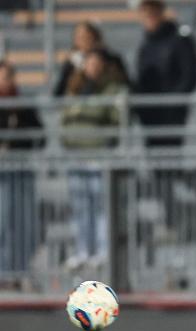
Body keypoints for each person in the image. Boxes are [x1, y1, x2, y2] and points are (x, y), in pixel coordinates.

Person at [60, 49, 126, 270]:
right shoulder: (76, 88)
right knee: (80, 207)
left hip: (100, 157)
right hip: (76, 156)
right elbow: (65, 116)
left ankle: (102, 250)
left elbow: (116, 120)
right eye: (89, 63)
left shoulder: (112, 89)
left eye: (97, 63)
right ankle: (82, 251)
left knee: (101, 207)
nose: (93, 67)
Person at [0, 60, 43, 288]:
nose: (6, 81)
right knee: (3, 223)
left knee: (23, 224)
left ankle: (21, 270)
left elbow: (40, 136)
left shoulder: (23, 105)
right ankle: (4, 272)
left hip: (21, 171)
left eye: (9, 76)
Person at [134, 0, 196, 147]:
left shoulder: (179, 40)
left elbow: (189, 78)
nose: (148, 16)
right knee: (153, 155)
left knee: (170, 157)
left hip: (171, 115)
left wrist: (172, 104)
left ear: (161, 11)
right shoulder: (145, 45)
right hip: (149, 114)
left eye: (152, 11)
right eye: (145, 12)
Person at [53, 21, 129, 97]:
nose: (84, 41)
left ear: (95, 38)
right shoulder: (70, 64)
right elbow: (58, 93)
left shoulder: (111, 60)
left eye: (87, 37)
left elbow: (125, 83)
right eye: (79, 38)